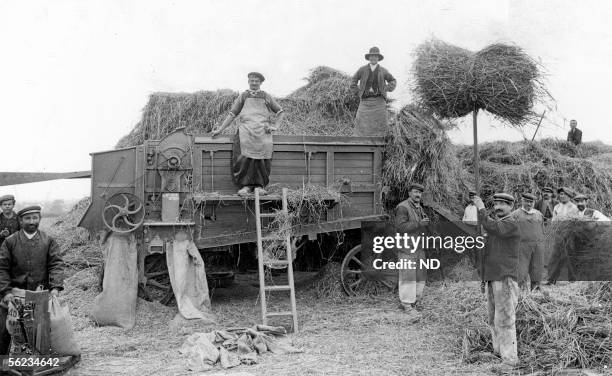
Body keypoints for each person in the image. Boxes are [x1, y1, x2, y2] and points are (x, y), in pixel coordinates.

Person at [0, 205, 64, 354]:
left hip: (38, 292)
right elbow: (1, 268)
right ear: (20, 221)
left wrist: (55, 287)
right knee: (4, 330)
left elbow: (56, 264)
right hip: (13, 294)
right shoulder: (10, 242)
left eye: (35, 218)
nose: (31, 221)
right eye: (27, 218)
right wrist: (5, 291)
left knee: (39, 331)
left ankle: (36, 362)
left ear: (39, 219)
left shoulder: (48, 241)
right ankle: (3, 365)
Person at [212, 72, 286, 196]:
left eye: (257, 81)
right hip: (246, 131)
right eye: (252, 80)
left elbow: (280, 111)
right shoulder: (243, 96)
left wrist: (275, 126)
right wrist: (220, 129)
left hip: (262, 132)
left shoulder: (266, 96)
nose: (254, 83)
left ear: (261, 83)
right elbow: (232, 114)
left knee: (263, 159)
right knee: (244, 158)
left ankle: (259, 186)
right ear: (248, 81)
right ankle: (246, 186)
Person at [473, 193, 521, 368]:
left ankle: (510, 360)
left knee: (506, 319)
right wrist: (484, 277)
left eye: (503, 204)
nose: (498, 207)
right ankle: (498, 352)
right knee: (493, 318)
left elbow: (492, 226)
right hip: (493, 277)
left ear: (511, 207)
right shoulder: (498, 224)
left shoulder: (511, 223)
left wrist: (480, 208)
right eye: (496, 204)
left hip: (505, 278)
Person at [395, 183, 429, 321]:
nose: (417, 195)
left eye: (420, 193)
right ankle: (407, 305)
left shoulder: (418, 206)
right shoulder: (403, 207)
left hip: (418, 246)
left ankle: (415, 301)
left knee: (420, 274)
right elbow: (400, 227)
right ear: (409, 193)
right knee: (408, 275)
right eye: (415, 192)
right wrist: (420, 223)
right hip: (407, 247)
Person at [350, 47, 397, 136]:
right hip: (365, 101)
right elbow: (353, 80)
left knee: (380, 122)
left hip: (379, 101)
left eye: (375, 56)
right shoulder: (362, 69)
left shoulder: (383, 71)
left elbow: (393, 81)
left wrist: (386, 88)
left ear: (378, 58)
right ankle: (360, 143)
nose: (373, 58)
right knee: (361, 121)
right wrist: (357, 91)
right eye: (372, 56)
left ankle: (379, 142)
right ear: (369, 57)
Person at [511, 193, 545, 291]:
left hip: (537, 246)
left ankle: (536, 290)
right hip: (522, 246)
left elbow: (542, 230)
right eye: (527, 201)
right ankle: (522, 292)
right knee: (521, 270)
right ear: (522, 201)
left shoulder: (539, 214)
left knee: (537, 268)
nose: (529, 204)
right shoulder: (515, 214)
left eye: (531, 202)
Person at [547, 187, 579, 285]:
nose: (562, 196)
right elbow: (554, 220)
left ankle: (572, 280)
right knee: (555, 256)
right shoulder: (557, 207)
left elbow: (576, 222)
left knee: (570, 257)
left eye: (565, 194)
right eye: (561, 194)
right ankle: (551, 279)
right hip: (558, 235)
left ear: (569, 196)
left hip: (570, 235)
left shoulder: (574, 207)